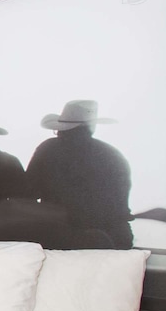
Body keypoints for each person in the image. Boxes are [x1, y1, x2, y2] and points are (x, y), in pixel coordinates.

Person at [24, 99, 133, 249]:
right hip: (112, 237)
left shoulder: (49, 149)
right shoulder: (113, 155)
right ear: (91, 127)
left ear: (62, 129)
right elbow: (120, 206)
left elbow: (27, 193)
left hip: (62, 236)